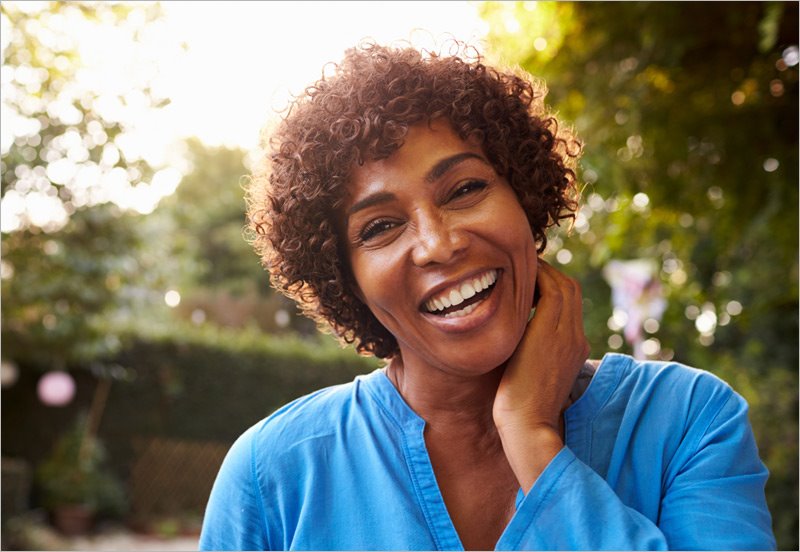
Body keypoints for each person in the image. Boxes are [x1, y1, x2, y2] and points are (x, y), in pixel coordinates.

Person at [199, 41, 775, 550]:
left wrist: (532, 437)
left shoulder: (687, 422)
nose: (438, 244)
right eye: (379, 227)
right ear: (344, 280)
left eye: (465, 188)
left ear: (525, 198)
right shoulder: (273, 475)